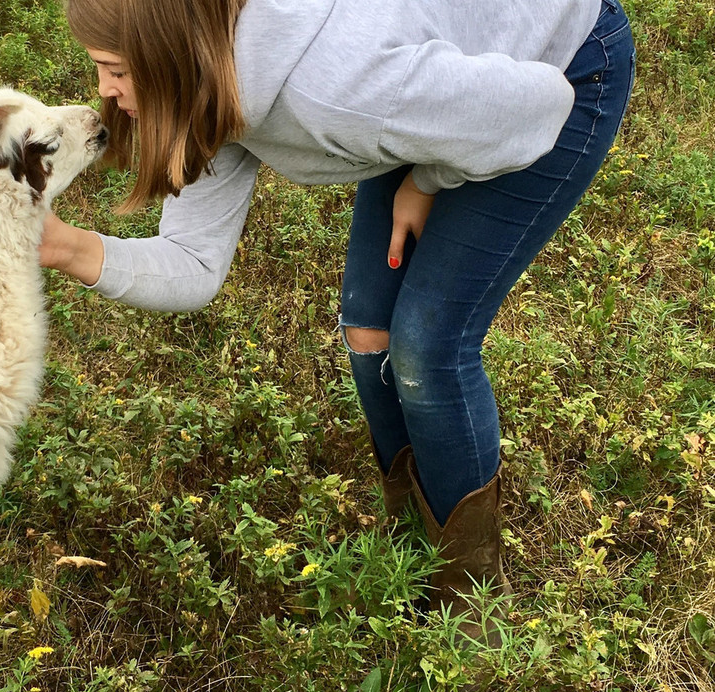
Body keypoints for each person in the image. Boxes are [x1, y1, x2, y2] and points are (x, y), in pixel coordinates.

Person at [40, 0, 635, 643]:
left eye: (116, 70)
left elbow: (532, 107)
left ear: (172, 50)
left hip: (561, 65)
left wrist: (429, 179)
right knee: (369, 331)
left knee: (427, 345)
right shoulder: (212, 82)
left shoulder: (340, 94)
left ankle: (469, 616)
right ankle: (414, 550)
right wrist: (66, 247)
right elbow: (194, 262)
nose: (103, 90)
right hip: (427, 91)